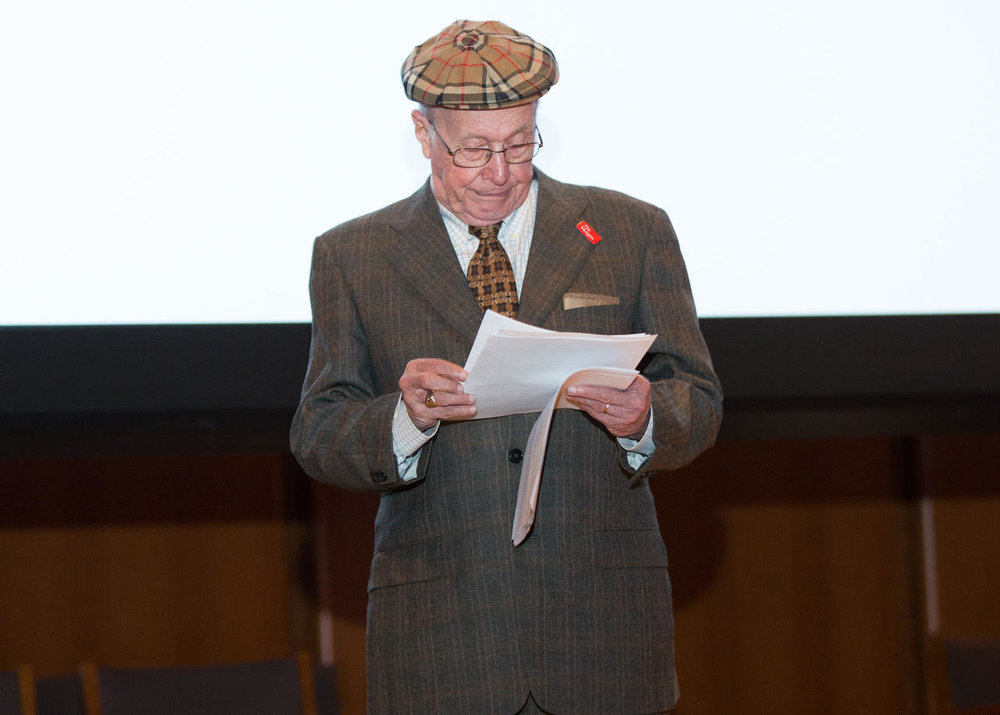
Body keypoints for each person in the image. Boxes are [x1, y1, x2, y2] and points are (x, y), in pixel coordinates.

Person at [290, 20, 723, 714]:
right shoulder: (354, 256)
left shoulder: (631, 232)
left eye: (521, 145)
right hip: (443, 642)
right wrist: (404, 418)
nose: (500, 172)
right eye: (474, 150)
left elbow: (697, 399)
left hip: (602, 637)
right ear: (423, 135)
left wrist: (647, 416)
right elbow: (318, 431)